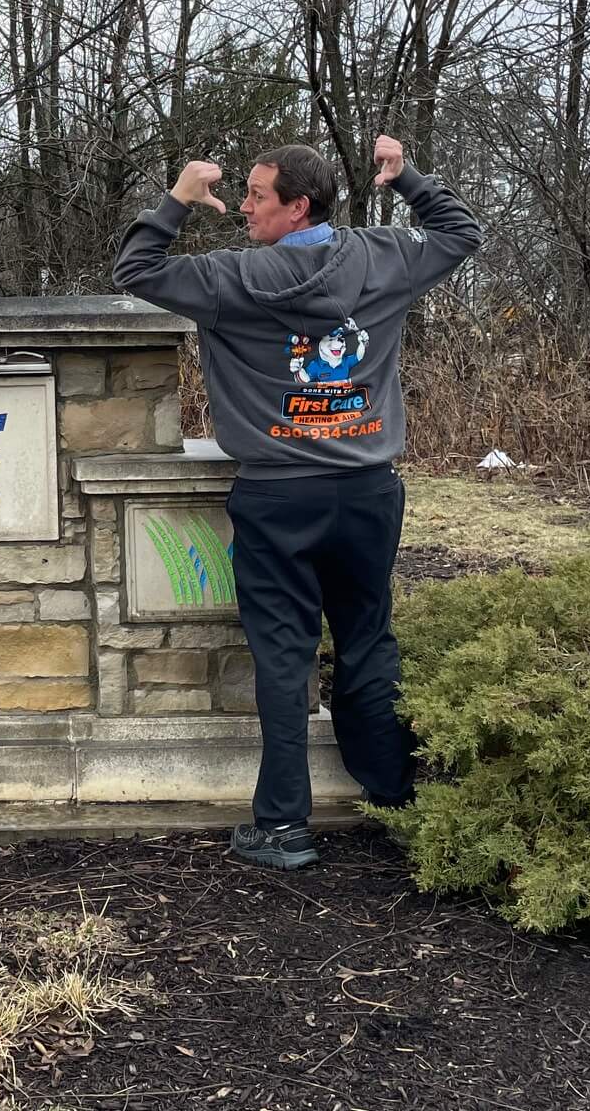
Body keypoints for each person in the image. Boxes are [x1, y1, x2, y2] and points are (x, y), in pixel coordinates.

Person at [113, 136, 482, 869]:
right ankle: (392, 796)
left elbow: (136, 269)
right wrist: (408, 179)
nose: (243, 207)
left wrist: (179, 198)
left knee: (284, 657)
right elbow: (459, 233)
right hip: (368, 491)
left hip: (278, 494)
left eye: (256, 196)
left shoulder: (229, 279)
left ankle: (283, 826)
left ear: (297, 207)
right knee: (367, 638)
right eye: (241, 193)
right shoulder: (382, 258)